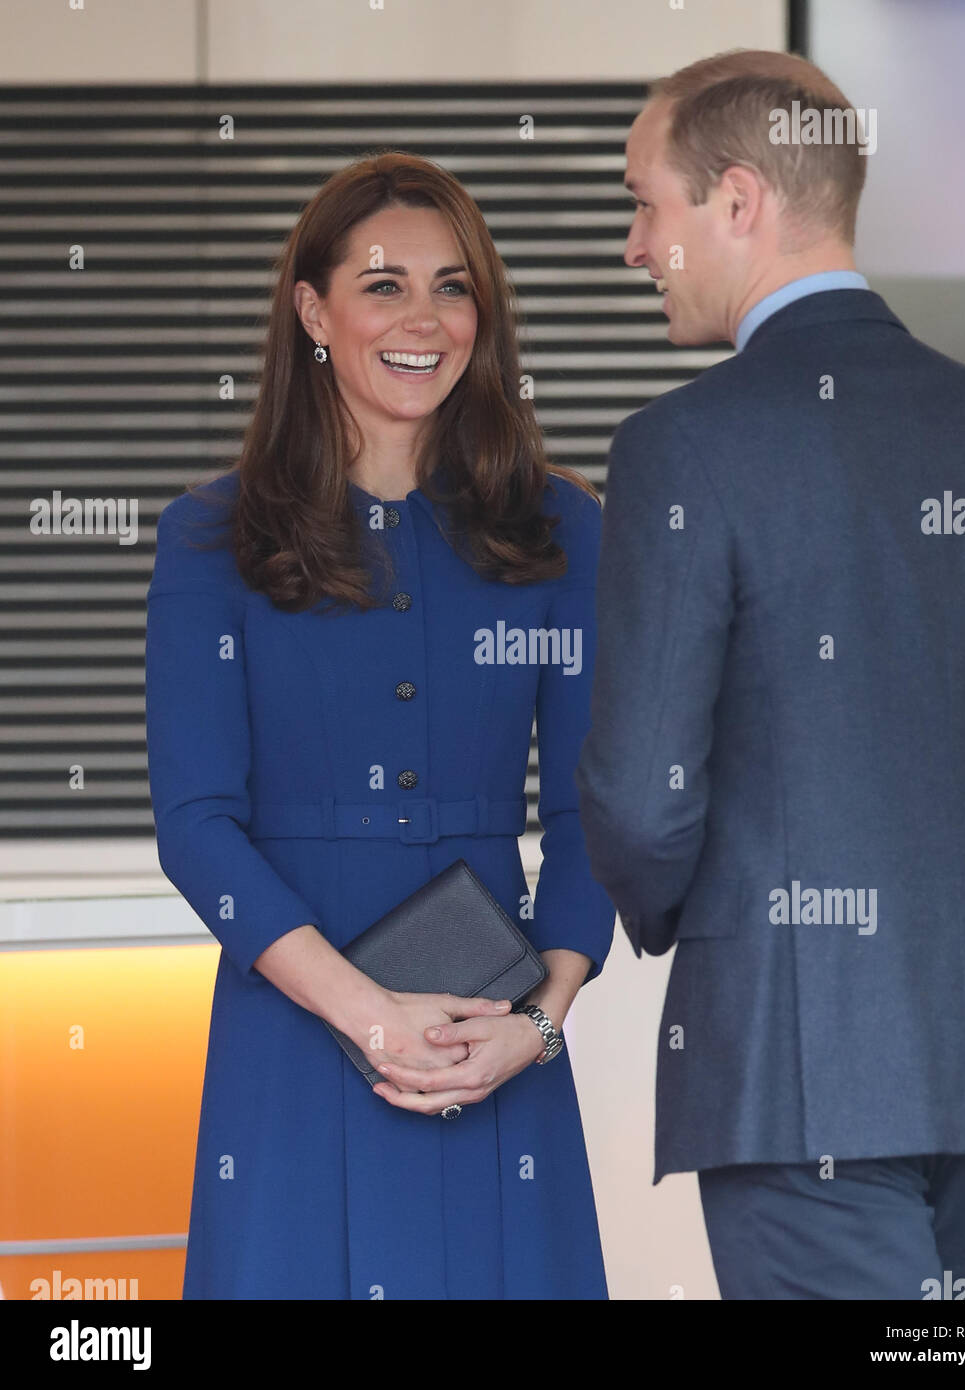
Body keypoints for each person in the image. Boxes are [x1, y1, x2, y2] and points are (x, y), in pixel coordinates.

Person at [575, 49, 965, 1300]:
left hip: (796, 1076)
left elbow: (635, 795)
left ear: (737, 201)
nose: (633, 246)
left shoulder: (682, 447)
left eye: (644, 203)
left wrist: (694, 916)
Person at [145, 151, 615, 1299]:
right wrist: (363, 1013)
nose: (424, 318)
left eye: (452, 286)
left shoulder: (562, 528)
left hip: (487, 1039)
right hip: (294, 1032)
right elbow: (195, 824)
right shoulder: (210, 537)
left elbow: (594, 805)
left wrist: (539, 1023)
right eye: (382, 284)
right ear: (313, 309)